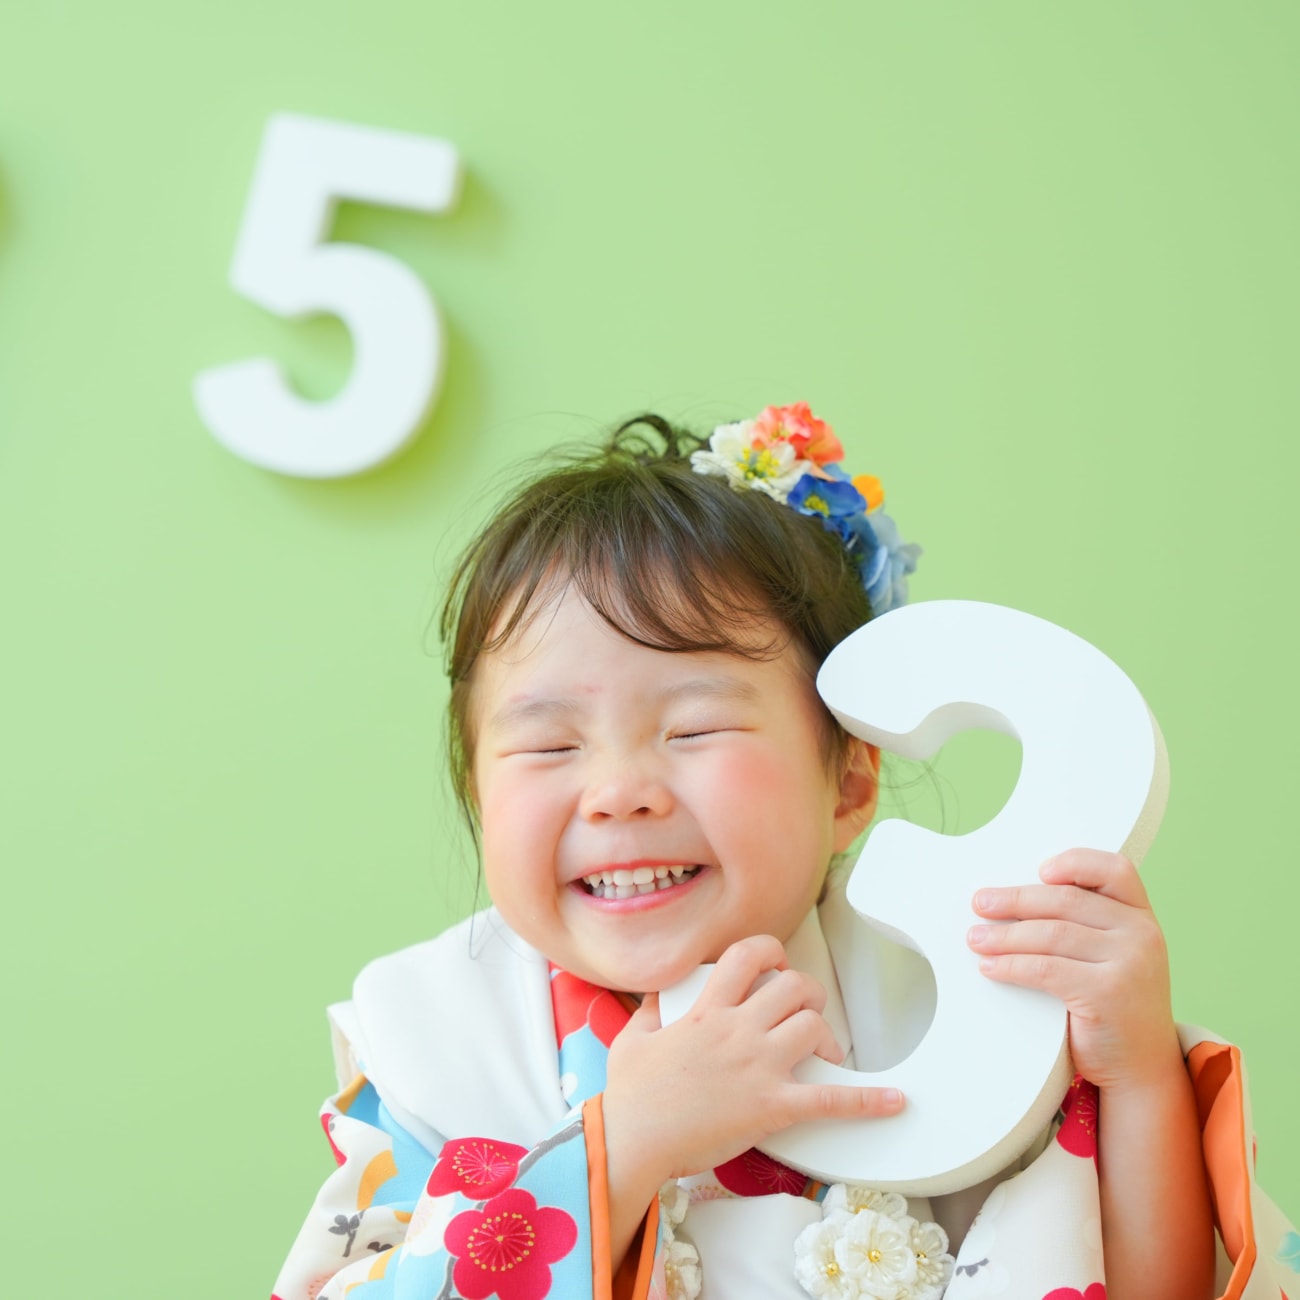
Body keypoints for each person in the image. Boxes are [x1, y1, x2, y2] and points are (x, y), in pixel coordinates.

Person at [272, 404, 1295, 1300]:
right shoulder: (440, 1042)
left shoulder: (953, 1003)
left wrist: (1139, 1075)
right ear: (476, 791)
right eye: (547, 744)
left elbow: (1153, 1285)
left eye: (693, 729)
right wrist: (621, 1150)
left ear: (848, 780)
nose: (620, 790)